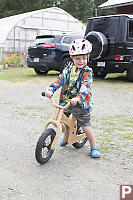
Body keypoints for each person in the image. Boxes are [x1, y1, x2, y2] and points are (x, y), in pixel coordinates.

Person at [45, 38, 101, 158]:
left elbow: (86, 87)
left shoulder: (87, 72)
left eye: (84, 58)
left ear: (88, 57)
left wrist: (78, 97)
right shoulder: (68, 70)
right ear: (72, 58)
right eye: (78, 58)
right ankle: (67, 137)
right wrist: (51, 89)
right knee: (61, 120)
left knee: (85, 125)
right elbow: (59, 79)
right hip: (65, 102)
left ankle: (94, 146)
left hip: (80, 104)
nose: (81, 61)